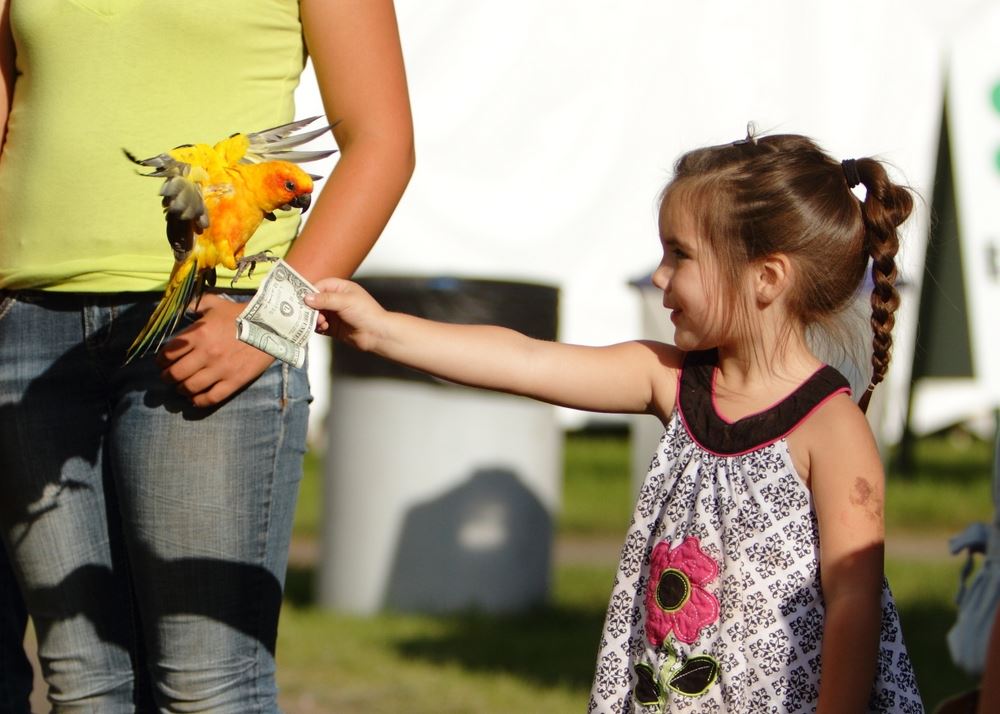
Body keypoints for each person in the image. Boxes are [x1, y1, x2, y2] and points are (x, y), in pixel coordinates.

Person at [305, 130, 922, 712]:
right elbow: (525, 360)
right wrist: (382, 329)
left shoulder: (831, 427)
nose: (659, 275)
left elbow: (853, 600)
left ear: (766, 277)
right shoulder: (672, 381)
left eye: (680, 254)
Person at [0, 0, 413, 711]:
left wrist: (268, 323)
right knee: (81, 688)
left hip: (215, 324)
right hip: (26, 332)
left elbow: (382, 143)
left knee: (206, 690)